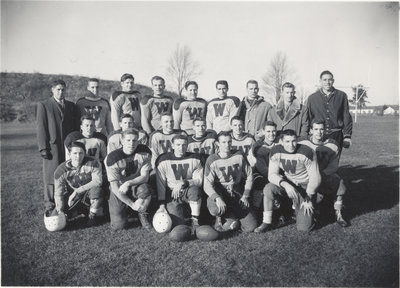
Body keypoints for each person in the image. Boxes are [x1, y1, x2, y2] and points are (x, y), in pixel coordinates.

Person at [254, 129, 321, 233]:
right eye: (287, 141)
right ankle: (267, 221)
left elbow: (315, 178)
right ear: (281, 141)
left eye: (294, 141)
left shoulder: (307, 151)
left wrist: (308, 197)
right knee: (268, 188)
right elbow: (271, 175)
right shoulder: (275, 151)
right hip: (289, 184)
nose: (291, 145)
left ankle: (314, 210)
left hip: (305, 187)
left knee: (304, 228)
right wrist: (285, 184)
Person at [37, 79, 80, 215]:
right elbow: (41, 128)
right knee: (51, 175)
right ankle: (49, 204)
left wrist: (76, 145)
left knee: (68, 172)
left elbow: (75, 127)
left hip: (69, 147)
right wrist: (43, 148)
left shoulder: (71, 106)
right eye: (58, 89)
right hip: (52, 146)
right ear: (52, 90)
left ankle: (66, 203)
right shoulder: (44, 105)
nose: (61, 92)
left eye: (63, 89)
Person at [204, 131, 257, 233]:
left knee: (251, 227)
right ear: (217, 144)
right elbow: (207, 185)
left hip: (236, 191)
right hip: (221, 191)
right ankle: (220, 218)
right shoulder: (212, 159)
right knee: (215, 209)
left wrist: (245, 195)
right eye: (223, 142)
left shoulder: (239, 155)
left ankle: (233, 217)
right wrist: (217, 198)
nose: (227, 145)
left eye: (229, 142)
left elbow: (249, 175)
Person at [298, 120, 349, 227]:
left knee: (339, 183)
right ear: (311, 130)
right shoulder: (302, 142)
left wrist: (320, 176)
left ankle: (338, 214)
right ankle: (298, 209)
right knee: (307, 219)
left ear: (325, 130)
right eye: (316, 129)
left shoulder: (332, 144)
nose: (319, 132)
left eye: (321, 129)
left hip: (324, 175)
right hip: (307, 178)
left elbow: (334, 166)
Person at [104, 129, 153, 230]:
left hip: (136, 184)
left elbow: (145, 177)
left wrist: (129, 183)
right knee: (119, 226)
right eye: (128, 140)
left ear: (138, 141)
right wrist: (132, 204)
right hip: (119, 188)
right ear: (121, 141)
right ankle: (131, 209)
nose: (131, 144)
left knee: (145, 188)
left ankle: (142, 212)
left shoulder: (145, 151)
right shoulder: (113, 158)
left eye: (134, 140)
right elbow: (114, 187)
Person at [155, 135, 204, 231]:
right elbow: (160, 184)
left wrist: (183, 182)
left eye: (184, 145)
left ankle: (195, 220)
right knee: (179, 225)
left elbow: (199, 181)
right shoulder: (163, 160)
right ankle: (185, 213)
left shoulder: (195, 158)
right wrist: (162, 204)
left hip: (187, 190)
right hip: (172, 194)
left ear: (187, 145)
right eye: (178, 145)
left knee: (195, 190)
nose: (181, 148)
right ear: (172, 146)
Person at [54, 141, 103, 226]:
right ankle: (81, 211)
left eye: (81, 153)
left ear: (85, 153)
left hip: (89, 193)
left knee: (97, 191)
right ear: (69, 154)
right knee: (61, 215)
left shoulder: (93, 163)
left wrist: (77, 191)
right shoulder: (61, 170)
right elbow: (58, 193)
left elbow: (98, 181)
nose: (78, 156)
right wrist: (60, 210)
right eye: (75, 153)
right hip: (73, 196)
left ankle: (92, 216)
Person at [306, 70, 353, 155]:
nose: (327, 82)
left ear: (333, 81)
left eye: (330, 80)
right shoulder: (312, 98)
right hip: (318, 135)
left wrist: (347, 136)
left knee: (333, 163)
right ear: (320, 81)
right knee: (318, 163)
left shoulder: (341, 96)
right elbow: (308, 118)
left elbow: (346, 115)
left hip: (336, 135)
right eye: (324, 80)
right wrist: (306, 136)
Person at [248, 121, 278, 210]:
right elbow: (258, 166)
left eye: (273, 131)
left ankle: (282, 211)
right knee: (258, 182)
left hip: (277, 173)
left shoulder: (280, 143)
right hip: (263, 174)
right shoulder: (257, 145)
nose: (271, 134)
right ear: (263, 132)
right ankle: (258, 209)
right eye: (268, 131)